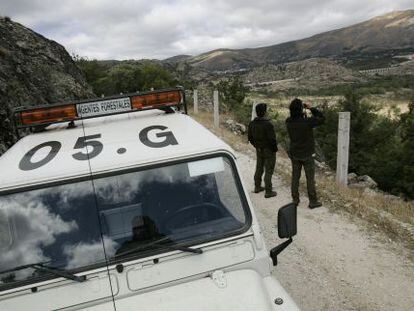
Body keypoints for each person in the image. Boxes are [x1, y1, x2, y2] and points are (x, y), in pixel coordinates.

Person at [286, 98, 325, 209]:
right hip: (307, 154)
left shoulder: (288, 121)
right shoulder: (307, 122)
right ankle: (313, 201)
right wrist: (311, 108)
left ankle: (295, 199)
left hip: (295, 153)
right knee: (310, 179)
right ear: (301, 109)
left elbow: (295, 120)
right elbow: (322, 118)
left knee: (295, 177)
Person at [248, 103, 278, 198]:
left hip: (259, 149)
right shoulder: (268, 124)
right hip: (268, 149)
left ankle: (257, 186)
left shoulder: (252, 123)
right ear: (264, 112)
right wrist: (274, 149)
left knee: (259, 167)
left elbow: (250, 137)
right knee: (269, 170)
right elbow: (272, 139)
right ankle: (268, 191)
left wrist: (256, 146)